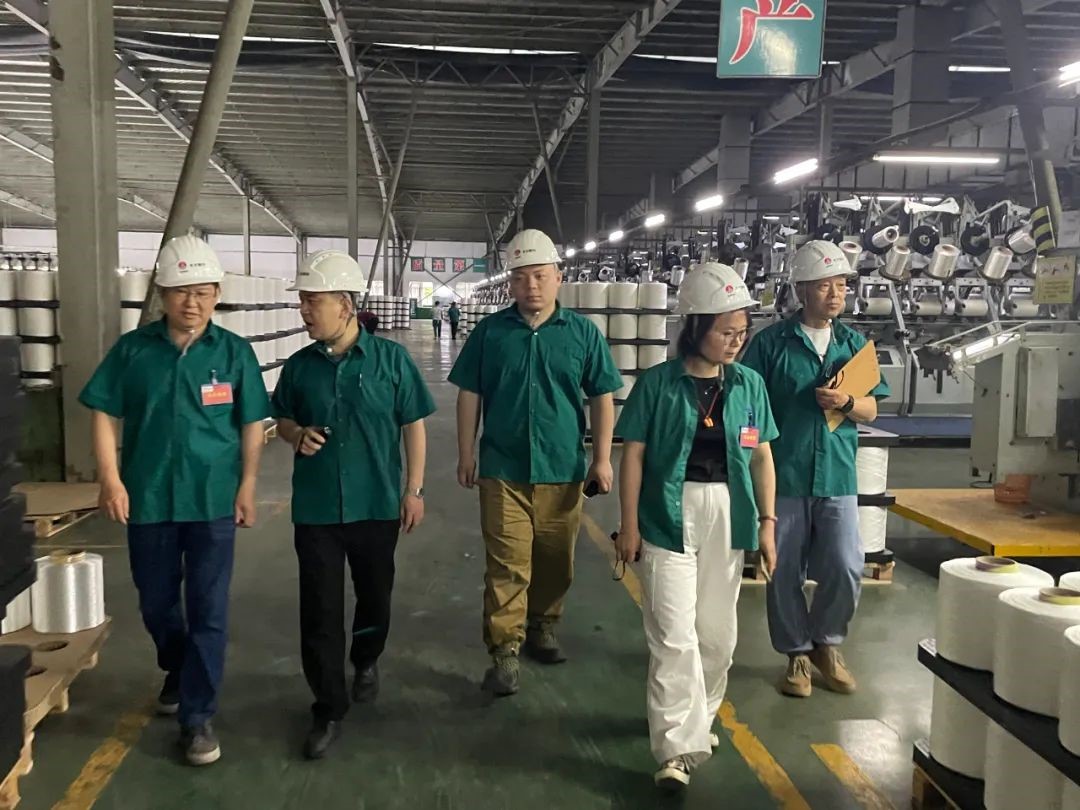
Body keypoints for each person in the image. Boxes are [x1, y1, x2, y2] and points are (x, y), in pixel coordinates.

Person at [80, 235, 269, 766]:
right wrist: (110, 479)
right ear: (162, 294)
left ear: (217, 295)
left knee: (209, 608)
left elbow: (252, 422)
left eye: (204, 292)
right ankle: (179, 666)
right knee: (155, 602)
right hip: (149, 499)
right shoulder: (133, 351)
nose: (193, 302)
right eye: (182, 291)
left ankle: (197, 715)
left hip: (212, 501)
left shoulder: (233, 353)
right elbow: (103, 411)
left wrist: (248, 484)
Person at [615, 263, 778, 792]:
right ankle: (676, 750)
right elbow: (633, 457)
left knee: (716, 635)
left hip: (730, 514)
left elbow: (761, 457)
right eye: (725, 332)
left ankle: (698, 720)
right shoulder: (658, 385)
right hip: (668, 513)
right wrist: (628, 525)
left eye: (741, 332)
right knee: (673, 633)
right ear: (695, 327)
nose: (736, 341)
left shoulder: (749, 385)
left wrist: (768, 523)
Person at [271, 250, 435, 760]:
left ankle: (366, 657)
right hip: (317, 508)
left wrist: (414, 490)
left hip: (375, 502)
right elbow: (281, 419)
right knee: (319, 610)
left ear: (344, 305)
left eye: (312, 301)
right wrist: (296, 433)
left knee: (374, 598)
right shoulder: (299, 367)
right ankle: (327, 706)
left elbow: (413, 425)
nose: (304, 310)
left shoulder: (391, 361)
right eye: (302, 301)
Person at [449, 228, 622, 697]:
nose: (531, 286)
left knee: (555, 560)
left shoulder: (582, 334)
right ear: (510, 283)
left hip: (562, 469)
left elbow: (602, 396)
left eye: (540, 276)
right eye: (521, 277)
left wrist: (602, 459)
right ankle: (505, 651)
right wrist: (466, 452)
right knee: (507, 563)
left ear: (558, 278)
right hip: (502, 470)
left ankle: (544, 624)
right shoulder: (490, 334)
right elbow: (470, 394)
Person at [740, 240, 890, 699]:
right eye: (825, 285)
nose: (835, 294)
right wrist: (745, 458)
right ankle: (796, 654)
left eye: (841, 285)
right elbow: (747, 406)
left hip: (837, 475)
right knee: (782, 568)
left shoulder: (854, 346)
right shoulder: (770, 344)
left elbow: (872, 409)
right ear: (801, 290)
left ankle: (827, 643)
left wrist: (846, 401)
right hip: (784, 475)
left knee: (847, 564)